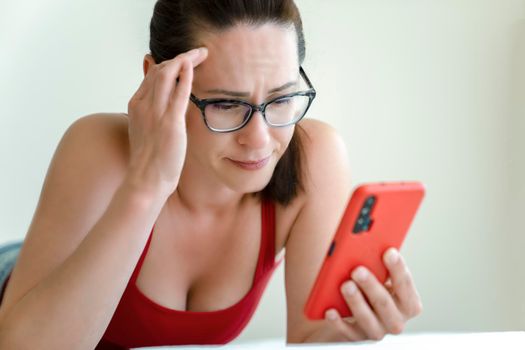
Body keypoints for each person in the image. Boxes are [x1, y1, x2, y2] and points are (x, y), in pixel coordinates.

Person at [0, 0, 422, 348]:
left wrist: (354, 330)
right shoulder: (98, 147)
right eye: (224, 104)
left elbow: (310, 338)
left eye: (282, 98)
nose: (259, 140)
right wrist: (147, 188)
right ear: (157, 81)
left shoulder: (312, 156)